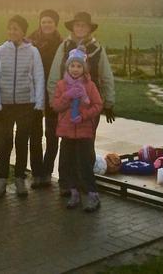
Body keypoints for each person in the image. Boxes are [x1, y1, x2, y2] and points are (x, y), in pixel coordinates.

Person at [48, 11, 116, 194]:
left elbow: (106, 76)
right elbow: (55, 75)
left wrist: (108, 102)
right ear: (73, 28)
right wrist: (53, 101)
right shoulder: (64, 47)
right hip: (67, 104)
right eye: (77, 25)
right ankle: (66, 184)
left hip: (88, 107)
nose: (80, 28)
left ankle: (85, 182)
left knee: (86, 146)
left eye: (83, 26)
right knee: (67, 147)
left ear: (88, 29)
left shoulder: (97, 49)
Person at [0, 15, 45, 198]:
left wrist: (39, 105)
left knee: (22, 142)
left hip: (25, 105)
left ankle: (20, 178)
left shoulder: (32, 52)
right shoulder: (0, 51)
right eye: (10, 28)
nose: (13, 32)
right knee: (5, 142)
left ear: (23, 32)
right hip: (4, 106)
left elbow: (38, 78)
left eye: (17, 29)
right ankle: (1, 180)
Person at [51, 48, 104, 212]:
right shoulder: (61, 85)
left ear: (84, 68)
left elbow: (97, 105)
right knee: (68, 164)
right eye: (72, 65)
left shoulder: (90, 86)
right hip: (67, 133)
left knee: (84, 165)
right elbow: (56, 106)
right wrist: (68, 95)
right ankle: (74, 193)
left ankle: (93, 195)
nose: (75, 69)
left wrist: (84, 116)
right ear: (67, 67)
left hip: (83, 132)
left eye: (79, 66)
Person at [28, 9, 63, 188]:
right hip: (33, 93)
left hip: (53, 93)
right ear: (39, 24)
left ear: (55, 24)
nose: (47, 25)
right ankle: (36, 173)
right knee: (34, 134)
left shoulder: (62, 44)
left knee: (52, 135)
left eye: (50, 22)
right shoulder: (30, 42)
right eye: (44, 22)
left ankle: (47, 171)